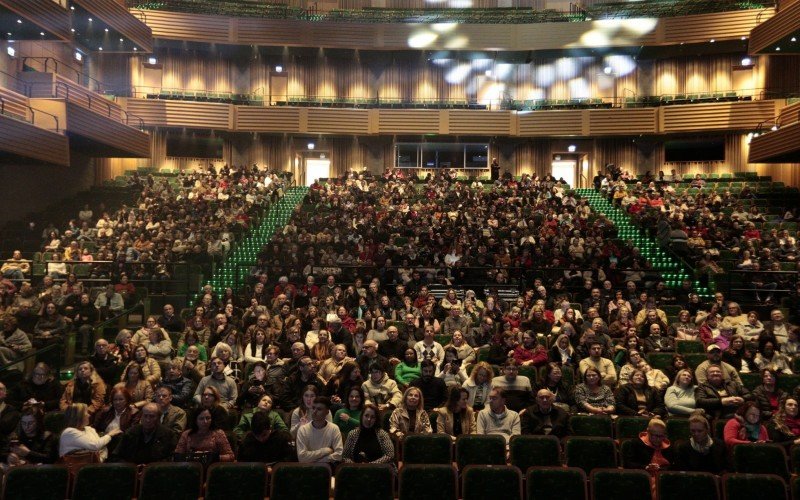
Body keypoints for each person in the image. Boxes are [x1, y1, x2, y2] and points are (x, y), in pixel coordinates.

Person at [109, 403, 178, 464]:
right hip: (133, 472)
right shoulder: (130, 432)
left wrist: (149, 469)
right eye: (145, 416)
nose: (148, 420)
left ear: (158, 418)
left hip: (157, 473)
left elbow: (171, 460)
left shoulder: (168, 435)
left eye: (152, 416)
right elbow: (116, 456)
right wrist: (132, 468)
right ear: (141, 417)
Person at [342, 403, 395, 470]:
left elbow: (389, 455)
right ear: (362, 417)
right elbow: (345, 457)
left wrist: (370, 466)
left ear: (376, 420)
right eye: (366, 416)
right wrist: (355, 466)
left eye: (372, 417)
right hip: (356, 471)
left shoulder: (382, 434)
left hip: (378, 471)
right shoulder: (352, 434)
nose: (369, 419)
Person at [296, 396, 343, 464]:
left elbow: (339, 455)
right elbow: (302, 458)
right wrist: (325, 451)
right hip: (307, 469)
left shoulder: (334, 428)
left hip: (327, 469)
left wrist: (318, 461)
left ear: (327, 412)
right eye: (313, 408)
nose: (314, 412)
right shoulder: (302, 430)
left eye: (319, 409)